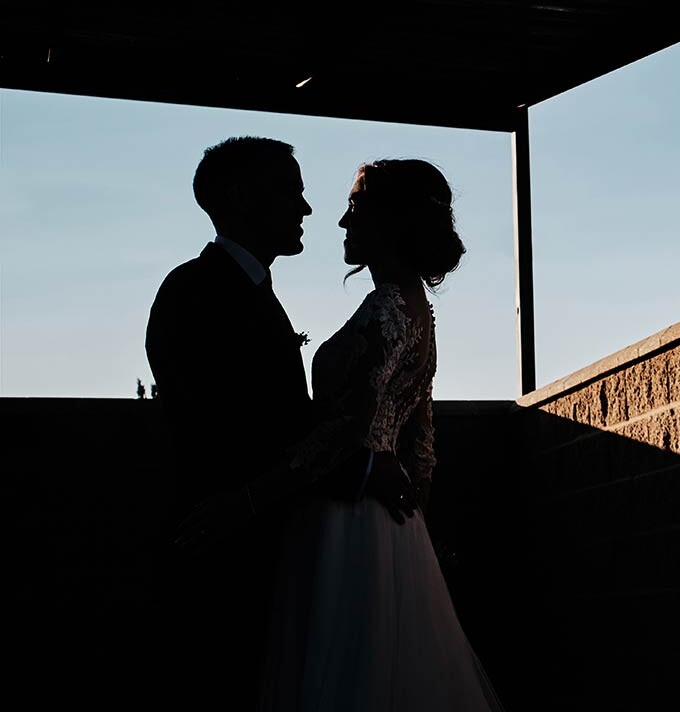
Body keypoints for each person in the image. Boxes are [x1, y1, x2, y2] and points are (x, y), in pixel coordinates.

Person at [180, 158, 505, 710]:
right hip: (390, 530)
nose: (338, 222)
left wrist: (249, 499)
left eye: (354, 207)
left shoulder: (384, 312)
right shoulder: (416, 311)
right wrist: (411, 540)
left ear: (390, 219)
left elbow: (341, 435)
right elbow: (422, 445)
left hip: (342, 522)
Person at [148, 137, 414, 711]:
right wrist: (365, 467)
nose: (307, 208)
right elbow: (241, 431)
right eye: (291, 191)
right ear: (241, 197)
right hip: (229, 560)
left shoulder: (253, 293)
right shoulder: (193, 293)